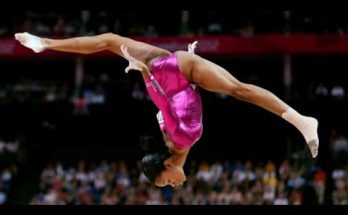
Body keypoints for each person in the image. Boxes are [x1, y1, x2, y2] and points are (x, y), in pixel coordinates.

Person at [14, 32, 319, 187]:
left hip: (177, 73)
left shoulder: (181, 141)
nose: (173, 185)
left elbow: (163, 102)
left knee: (239, 90)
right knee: (109, 41)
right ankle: (44, 42)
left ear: (168, 167)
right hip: (174, 71)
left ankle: (301, 120)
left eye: (166, 182)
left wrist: (145, 72)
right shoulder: (173, 141)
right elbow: (164, 108)